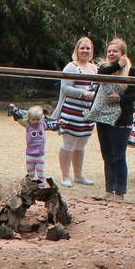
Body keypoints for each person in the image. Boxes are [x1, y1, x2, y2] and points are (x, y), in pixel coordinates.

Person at [91, 37, 135, 199]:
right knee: (106, 154)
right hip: (103, 118)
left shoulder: (132, 71)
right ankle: (109, 190)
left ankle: (120, 192)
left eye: (115, 51)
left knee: (118, 155)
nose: (112, 53)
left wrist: (120, 97)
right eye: (109, 51)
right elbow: (99, 75)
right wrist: (117, 66)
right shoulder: (105, 68)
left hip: (121, 119)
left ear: (123, 54)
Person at [52, 35, 99, 185]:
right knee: (68, 144)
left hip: (88, 115)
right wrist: (83, 93)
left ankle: (78, 175)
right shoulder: (71, 67)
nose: (85, 51)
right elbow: (65, 88)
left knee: (81, 146)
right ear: (77, 50)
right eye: (82, 48)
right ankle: (66, 176)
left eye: (88, 48)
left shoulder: (94, 68)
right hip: (71, 113)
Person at [20, 106, 47, 185]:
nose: (35, 121)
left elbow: (52, 123)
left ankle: (42, 187)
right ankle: (30, 188)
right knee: (30, 174)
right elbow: (18, 119)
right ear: (29, 119)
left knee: (41, 174)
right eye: (33, 119)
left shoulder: (42, 125)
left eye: (38, 119)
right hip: (30, 155)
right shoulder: (28, 126)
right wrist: (13, 109)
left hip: (40, 155)